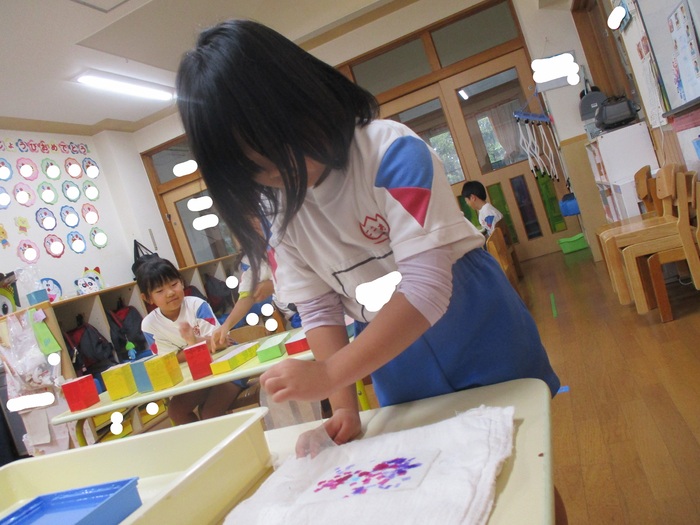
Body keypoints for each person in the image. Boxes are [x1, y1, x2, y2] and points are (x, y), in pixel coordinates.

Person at [176, 19, 560, 447]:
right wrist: (343, 406)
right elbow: (320, 310)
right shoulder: (279, 214)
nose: (278, 177)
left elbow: (428, 285)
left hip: (474, 320)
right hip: (386, 346)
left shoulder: (392, 152)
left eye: (279, 152)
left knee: (524, 451)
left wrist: (328, 374)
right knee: (430, 457)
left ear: (304, 97)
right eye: (258, 173)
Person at [136, 257, 245, 425]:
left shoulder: (196, 305)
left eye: (173, 284)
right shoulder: (149, 325)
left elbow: (221, 343)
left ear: (181, 282)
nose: (170, 293)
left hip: (228, 367)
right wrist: (197, 345)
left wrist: (192, 342)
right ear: (147, 298)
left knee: (210, 412)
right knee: (176, 411)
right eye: (160, 291)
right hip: (196, 376)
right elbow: (168, 361)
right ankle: (204, 440)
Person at [212, 255, 301, 348]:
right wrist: (225, 326)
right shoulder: (249, 262)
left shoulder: (280, 253)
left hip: (305, 302)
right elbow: (246, 298)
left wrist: (274, 284)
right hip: (296, 314)